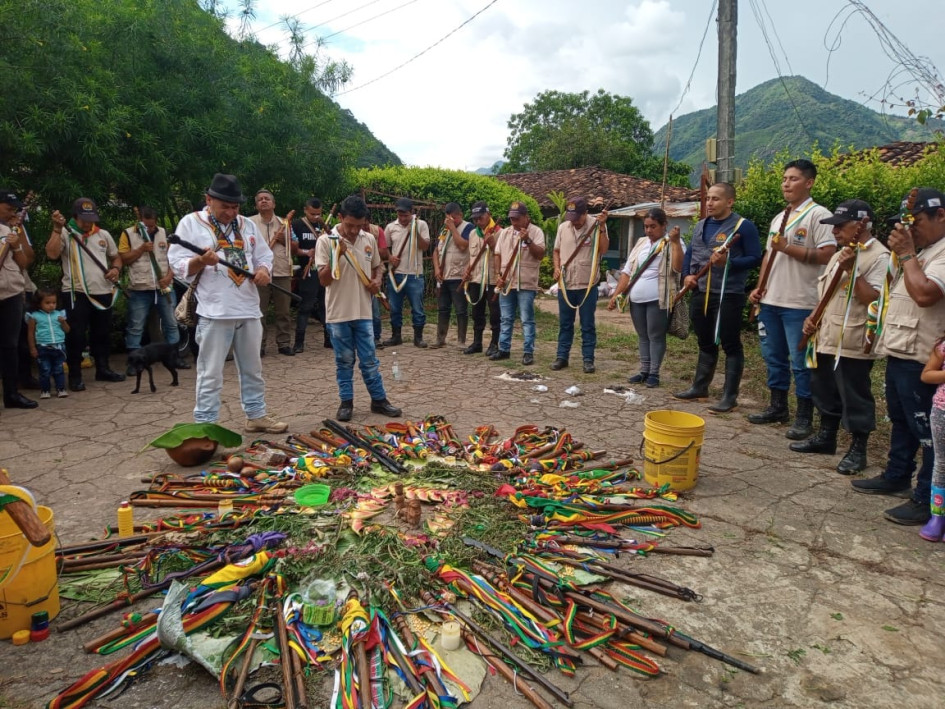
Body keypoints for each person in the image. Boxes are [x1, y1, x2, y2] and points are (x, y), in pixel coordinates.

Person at [852, 188, 945, 525]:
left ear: (941, 216)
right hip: (901, 350)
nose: (911, 229)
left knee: (929, 432)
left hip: (924, 358)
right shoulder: (927, 251)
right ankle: (897, 475)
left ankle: (926, 499)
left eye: (917, 221)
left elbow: (924, 294)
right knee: (902, 421)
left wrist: (907, 254)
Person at [167, 173, 287, 434]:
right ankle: (206, 425)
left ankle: (256, 415)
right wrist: (199, 261)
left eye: (235, 207)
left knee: (253, 368)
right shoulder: (191, 224)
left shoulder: (246, 224)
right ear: (209, 200)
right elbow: (176, 264)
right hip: (214, 311)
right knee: (210, 373)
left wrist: (264, 270)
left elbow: (263, 255)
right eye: (225, 207)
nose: (231, 213)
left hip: (248, 307)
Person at [791, 200, 888, 473]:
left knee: (854, 394)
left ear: (861, 225)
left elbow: (875, 299)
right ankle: (827, 436)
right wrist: (812, 317)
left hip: (854, 339)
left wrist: (852, 271)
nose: (834, 232)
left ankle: (858, 449)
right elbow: (827, 294)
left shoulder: (879, 256)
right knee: (822, 386)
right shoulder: (840, 253)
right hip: (826, 334)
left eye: (840, 226)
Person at [747, 159, 835, 438]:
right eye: (784, 178)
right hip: (772, 298)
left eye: (793, 179)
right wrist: (760, 286)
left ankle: (805, 416)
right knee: (773, 357)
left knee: (801, 361)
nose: (786, 183)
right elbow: (768, 256)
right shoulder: (779, 216)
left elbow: (827, 255)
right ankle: (777, 406)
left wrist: (788, 248)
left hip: (801, 301)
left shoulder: (819, 215)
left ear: (809, 182)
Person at [674, 183, 762, 410]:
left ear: (730, 202)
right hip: (700, 292)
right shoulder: (701, 225)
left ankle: (729, 397)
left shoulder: (744, 227)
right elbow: (690, 254)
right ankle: (699, 387)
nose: (710, 203)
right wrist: (686, 276)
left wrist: (729, 262)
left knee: (730, 343)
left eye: (716, 199)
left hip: (728, 294)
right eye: (708, 198)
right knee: (704, 341)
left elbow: (755, 258)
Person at [315, 194, 401, 422]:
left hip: (364, 311)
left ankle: (379, 400)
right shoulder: (326, 241)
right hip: (338, 313)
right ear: (341, 217)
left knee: (370, 359)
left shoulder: (369, 239)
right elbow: (324, 280)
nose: (354, 231)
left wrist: (377, 279)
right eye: (350, 225)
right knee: (344, 361)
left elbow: (378, 267)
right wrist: (337, 255)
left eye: (359, 225)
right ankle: (346, 402)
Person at [46, 198, 126, 391]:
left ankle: (103, 369)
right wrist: (57, 229)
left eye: (91, 218)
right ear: (75, 216)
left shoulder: (103, 234)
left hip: (103, 290)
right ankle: (74, 375)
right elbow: (52, 254)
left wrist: (115, 269)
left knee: (102, 333)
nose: (88, 223)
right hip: (76, 292)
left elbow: (116, 257)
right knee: (76, 335)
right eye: (84, 219)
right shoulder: (66, 233)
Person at [609, 208, 683, 387]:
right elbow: (627, 271)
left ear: (664, 225)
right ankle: (644, 370)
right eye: (646, 227)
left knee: (656, 335)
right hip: (636, 299)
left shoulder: (672, 242)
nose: (649, 231)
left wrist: (675, 243)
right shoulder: (641, 242)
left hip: (658, 298)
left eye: (653, 226)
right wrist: (616, 294)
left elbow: (678, 267)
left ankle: (654, 373)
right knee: (643, 335)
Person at [119, 206, 188, 370]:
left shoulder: (165, 233)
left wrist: (169, 277)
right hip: (140, 287)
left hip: (164, 287)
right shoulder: (128, 234)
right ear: (140, 220)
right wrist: (141, 249)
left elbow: (174, 259)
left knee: (171, 323)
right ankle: (134, 363)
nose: (150, 228)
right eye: (146, 225)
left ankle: (174, 358)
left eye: (152, 225)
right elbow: (124, 259)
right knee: (136, 326)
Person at [552, 198, 609, 374]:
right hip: (566, 283)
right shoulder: (563, 227)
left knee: (587, 324)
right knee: (565, 323)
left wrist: (601, 227)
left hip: (587, 284)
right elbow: (556, 250)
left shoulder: (597, 225)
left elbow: (604, 249)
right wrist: (556, 268)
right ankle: (562, 357)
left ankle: (588, 359)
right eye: (571, 217)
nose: (574, 221)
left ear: (585, 213)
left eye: (577, 217)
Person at [491, 201, 545, 365]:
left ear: (526, 217)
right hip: (507, 282)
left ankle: (528, 352)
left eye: (517, 219)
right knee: (506, 318)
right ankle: (504, 349)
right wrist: (498, 274)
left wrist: (528, 240)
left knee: (527, 319)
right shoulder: (505, 233)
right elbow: (497, 254)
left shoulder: (536, 232)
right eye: (511, 219)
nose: (513, 222)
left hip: (526, 282)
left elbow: (541, 254)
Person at [0, 189, 37, 408]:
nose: (11, 212)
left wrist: (15, 246)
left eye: (15, 209)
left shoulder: (9, 230)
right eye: (8, 208)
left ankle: (12, 394)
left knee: (10, 345)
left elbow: (23, 262)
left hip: (12, 292)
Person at [250, 189, 293, 356]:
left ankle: (284, 343)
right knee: (259, 310)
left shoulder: (285, 223)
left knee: (283, 311)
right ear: (256, 204)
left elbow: (294, 246)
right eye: (260, 199)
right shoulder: (249, 223)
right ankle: (259, 345)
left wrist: (284, 239)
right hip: (259, 273)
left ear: (273, 204)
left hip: (281, 271)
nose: (263, 201)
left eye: (267, 199)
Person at [383, 197, 430, 348]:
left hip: (415, 274)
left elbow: (425, 246)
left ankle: (418, 337)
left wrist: (414, 231)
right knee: (395, 307)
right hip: (395, 274)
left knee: (417, 308)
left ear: (412, 213)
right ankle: (396, 336)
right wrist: (390, 257)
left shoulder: (421, 225)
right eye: (400, 215)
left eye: (405, 215)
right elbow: (383, 249)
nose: (402, 218)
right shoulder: (391, 227)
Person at [463, 201, 501, 356]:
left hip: (492, 279)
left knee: (494, 314)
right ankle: (477, 342)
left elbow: (503, 257)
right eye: (475, 219)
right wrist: (466, 271)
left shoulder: (500, 232)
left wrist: (492, 244)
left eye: (481, 217)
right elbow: (470, 257)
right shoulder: (473, 233)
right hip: (476, 279)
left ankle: (494, 343)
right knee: (476, 312)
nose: (478, 221)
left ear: (489, 215)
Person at [430, 202, 471, 348]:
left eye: (453, 218)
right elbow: (436, 251)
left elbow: (462, 245)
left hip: (458, 275)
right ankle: (440, 338)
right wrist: (436, 269)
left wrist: (453, 228)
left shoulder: (468, 227)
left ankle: (461, 341)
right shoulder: (444, 230)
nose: (450, 220)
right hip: (443, 276)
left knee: (460, 309)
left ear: (460, 215)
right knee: (442, 308)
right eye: (448, 218)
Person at [291, 198, 329, 352]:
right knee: (305, 307)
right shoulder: (297, 225)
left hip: (323, 271)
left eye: (318, 214)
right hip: (307, 271)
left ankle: (329, 339)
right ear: (305, 210)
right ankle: (299, 343)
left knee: (325, 306)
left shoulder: (324, 225)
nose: (315, 217)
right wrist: (307, 252)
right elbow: (293, 250)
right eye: (312, 214)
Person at [919, 330, 945, 541]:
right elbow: (927, 374)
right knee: (942, 463)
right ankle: (937, 517)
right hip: (942, 412)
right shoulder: (942, 345)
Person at [26, 289, 69, 399]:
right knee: (45, 370)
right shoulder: (34, 316)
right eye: (47, 303)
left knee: (59, 369)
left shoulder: (59, 314)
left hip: (59, 346)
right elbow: (30, 333)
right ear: (39, 303)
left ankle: (61, 389)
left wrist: (63, 322)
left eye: (54, 303)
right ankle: (45, 390)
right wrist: (32, 348)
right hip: (42, 347)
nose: (51, 305)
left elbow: (67, 330)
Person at [365, 213, 389, 349]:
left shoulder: (376, 231)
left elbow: (383, 252)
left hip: (373, 275)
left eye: (364, 224)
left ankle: (376, 338)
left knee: (375, 311)